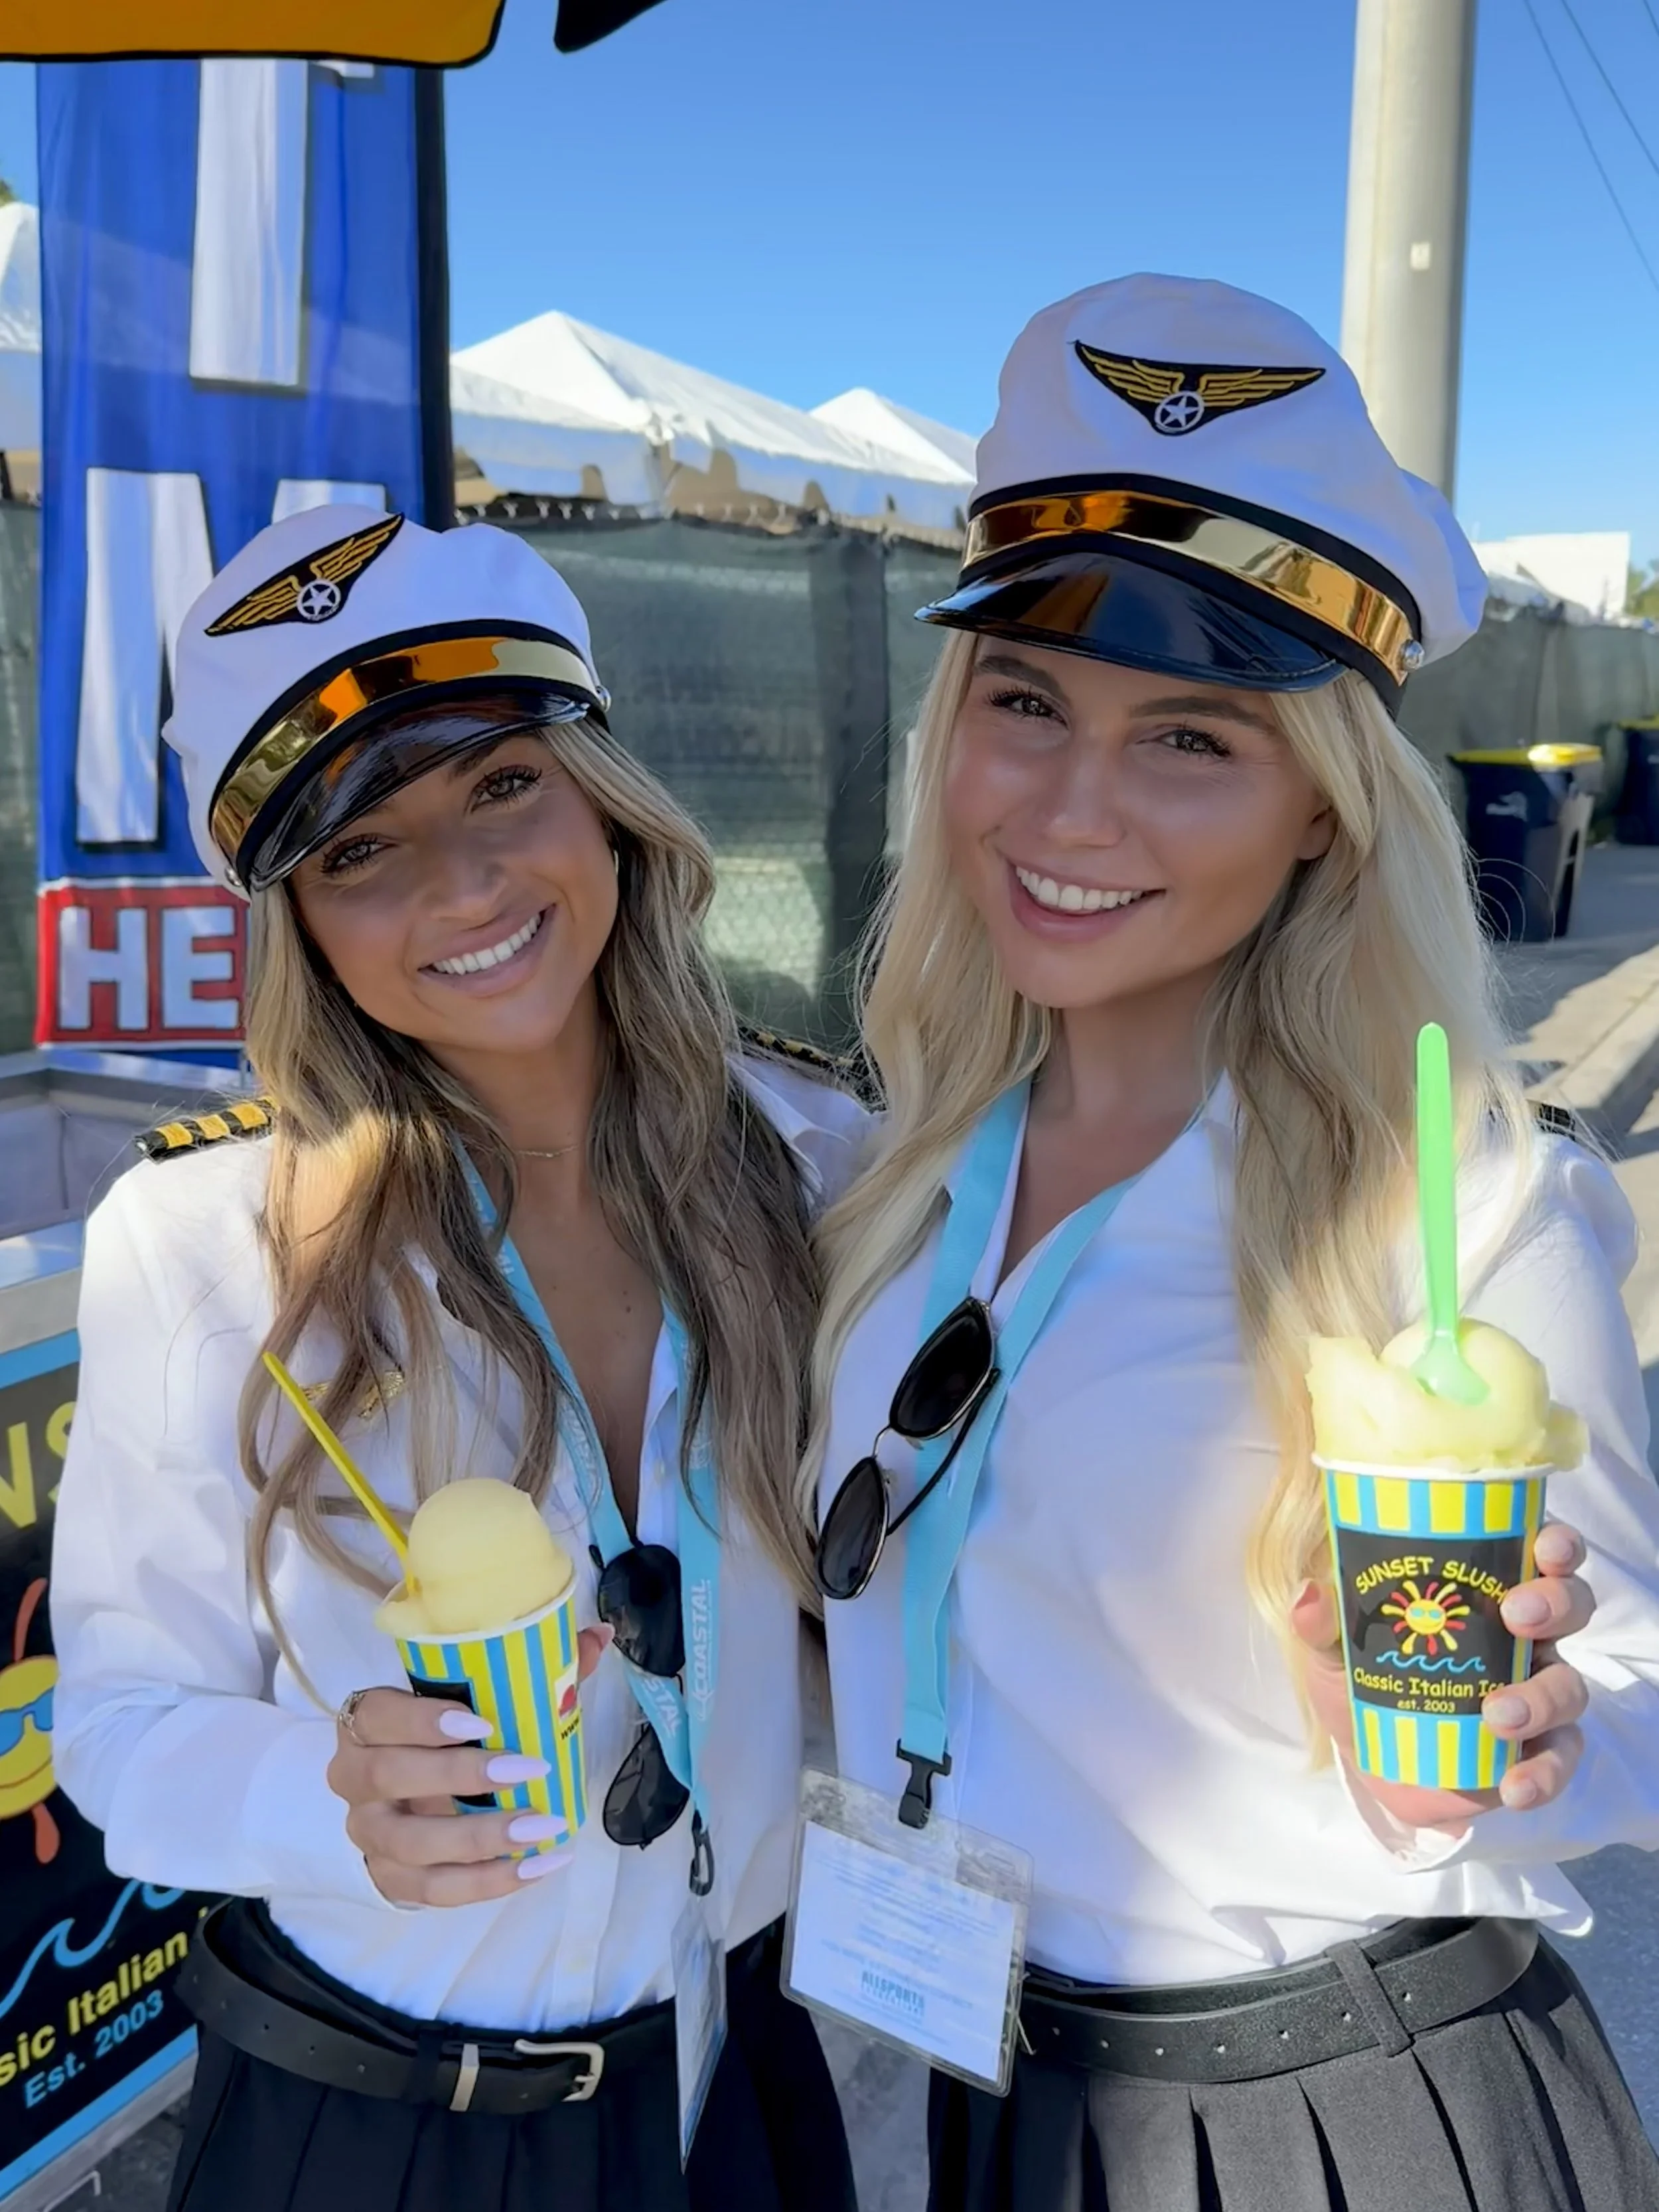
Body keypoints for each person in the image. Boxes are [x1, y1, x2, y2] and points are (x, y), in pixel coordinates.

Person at [804, 277, 1659, 2212]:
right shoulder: (901, 1172)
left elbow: (1631, 1701)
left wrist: (1510, 1746)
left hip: (1332, 2113)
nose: (1069, 805)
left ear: (1319, 818)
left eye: (1188, 739)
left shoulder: (1457, 1216)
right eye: (1022, 702)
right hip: (973, 2075)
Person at [49, 507, 863, 2212]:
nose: (462, 887)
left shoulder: (818, 1157)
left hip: (736, 2078)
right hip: (377, 2127)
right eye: (358, 851)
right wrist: (322, 1791)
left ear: (604, 797)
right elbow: (119, 1730)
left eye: (501, 785)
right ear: (298, 922)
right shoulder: (205, 1242)